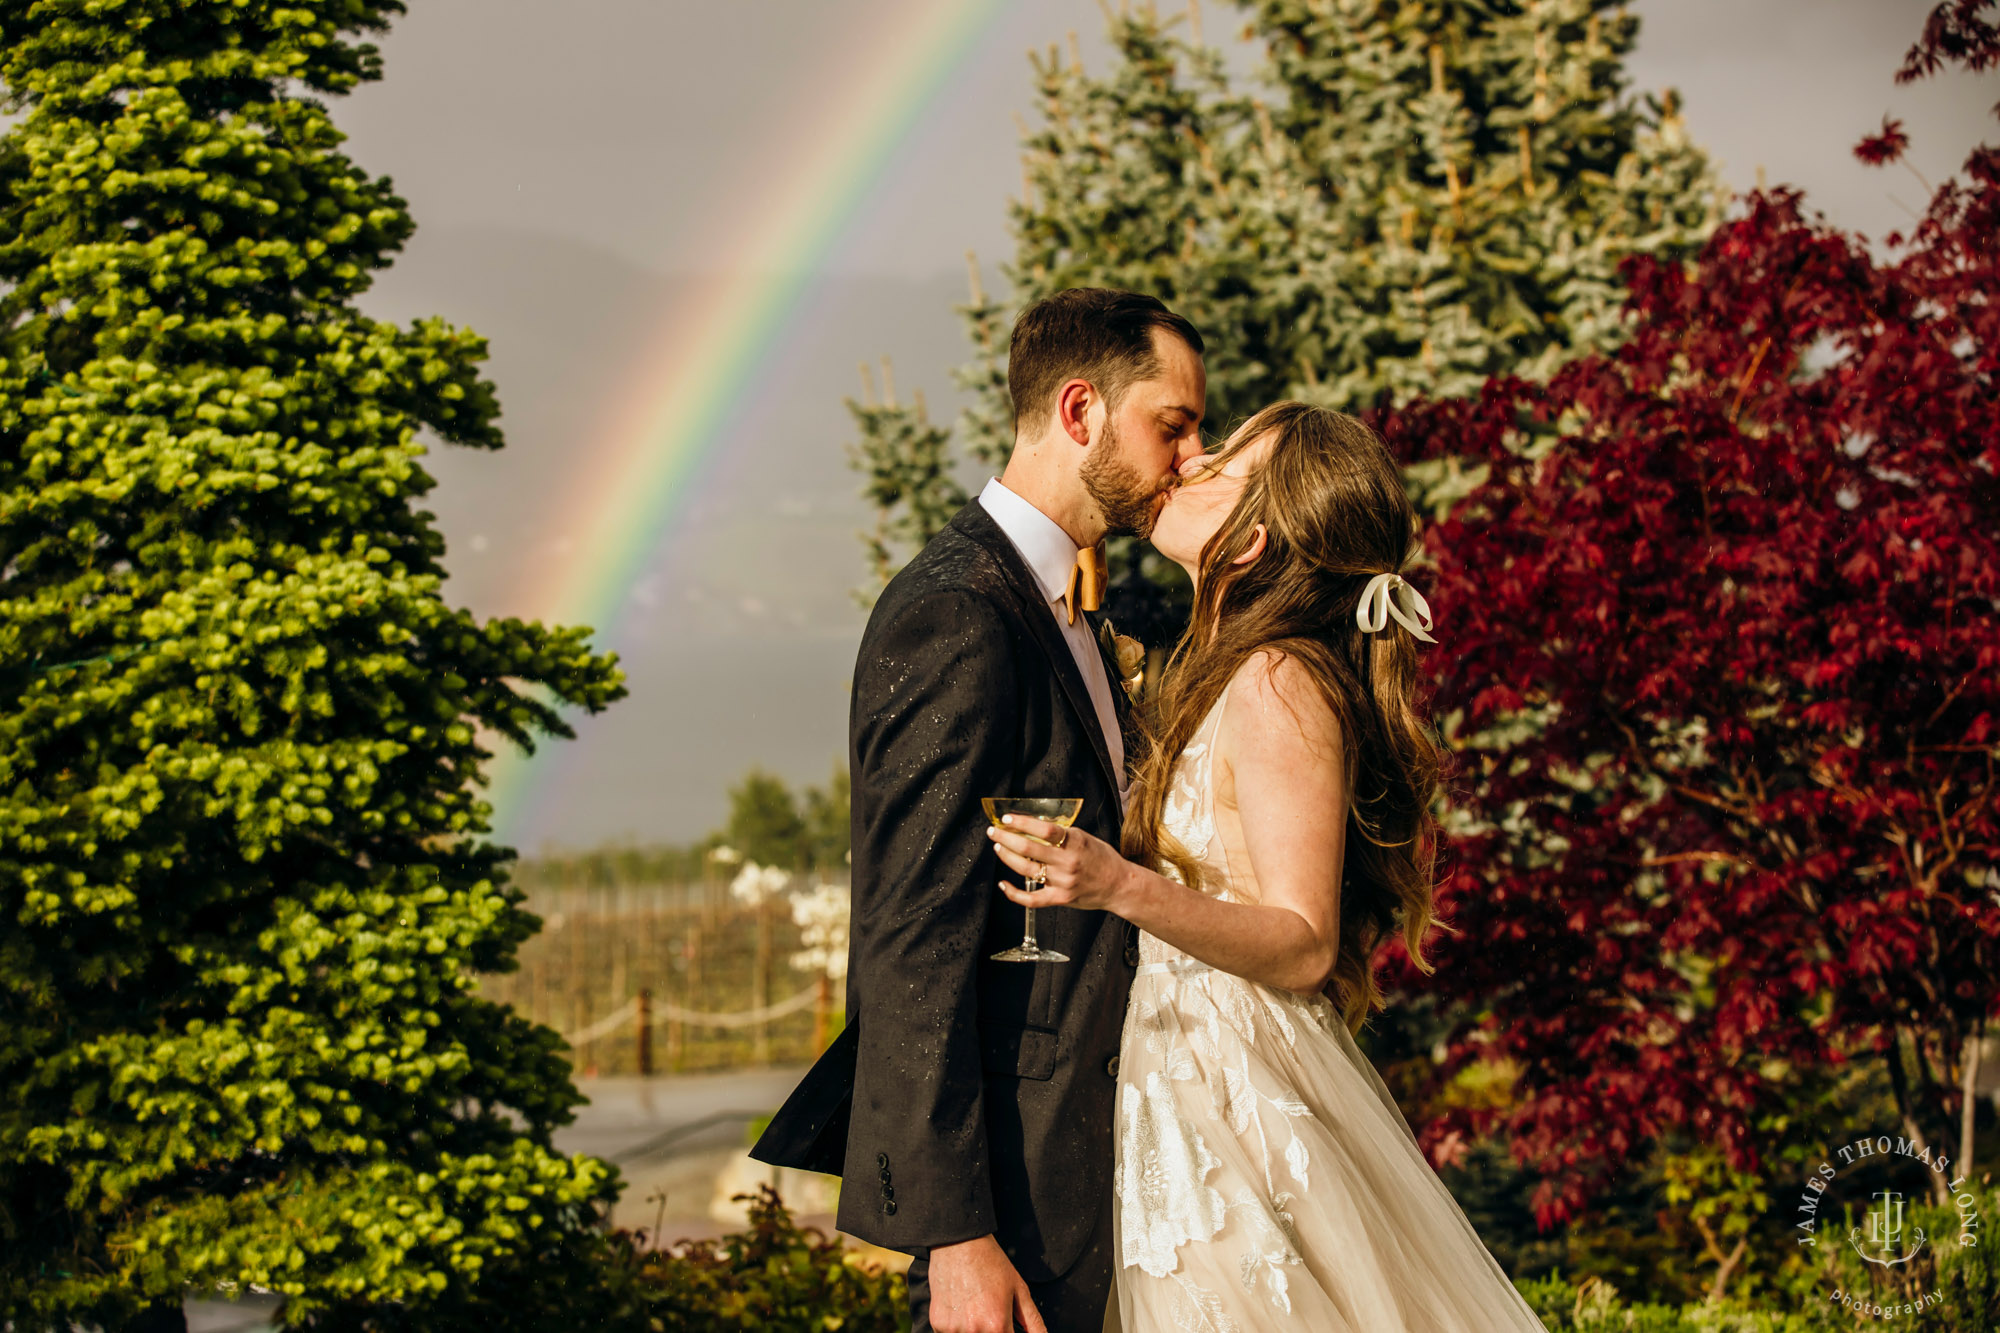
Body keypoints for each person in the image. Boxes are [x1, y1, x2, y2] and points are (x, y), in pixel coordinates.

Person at [987, 402, 1552, 1331]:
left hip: (1230, 1097)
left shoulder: (1277, 679)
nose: (1193, 460)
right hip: (1181, 1075)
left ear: (1252, 541)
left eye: (1226, 464)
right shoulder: (1233, 666)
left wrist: (1117, 883)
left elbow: (1301, 943)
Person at [752, 287, 1208, 1333]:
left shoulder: (1087, 612)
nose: (1187, 457)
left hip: (1117, 1169)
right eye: (1170, 425)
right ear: (1081, 411)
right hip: (1020, 1200)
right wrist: (954, 1237)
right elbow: (911, 935)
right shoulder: (954, 614)